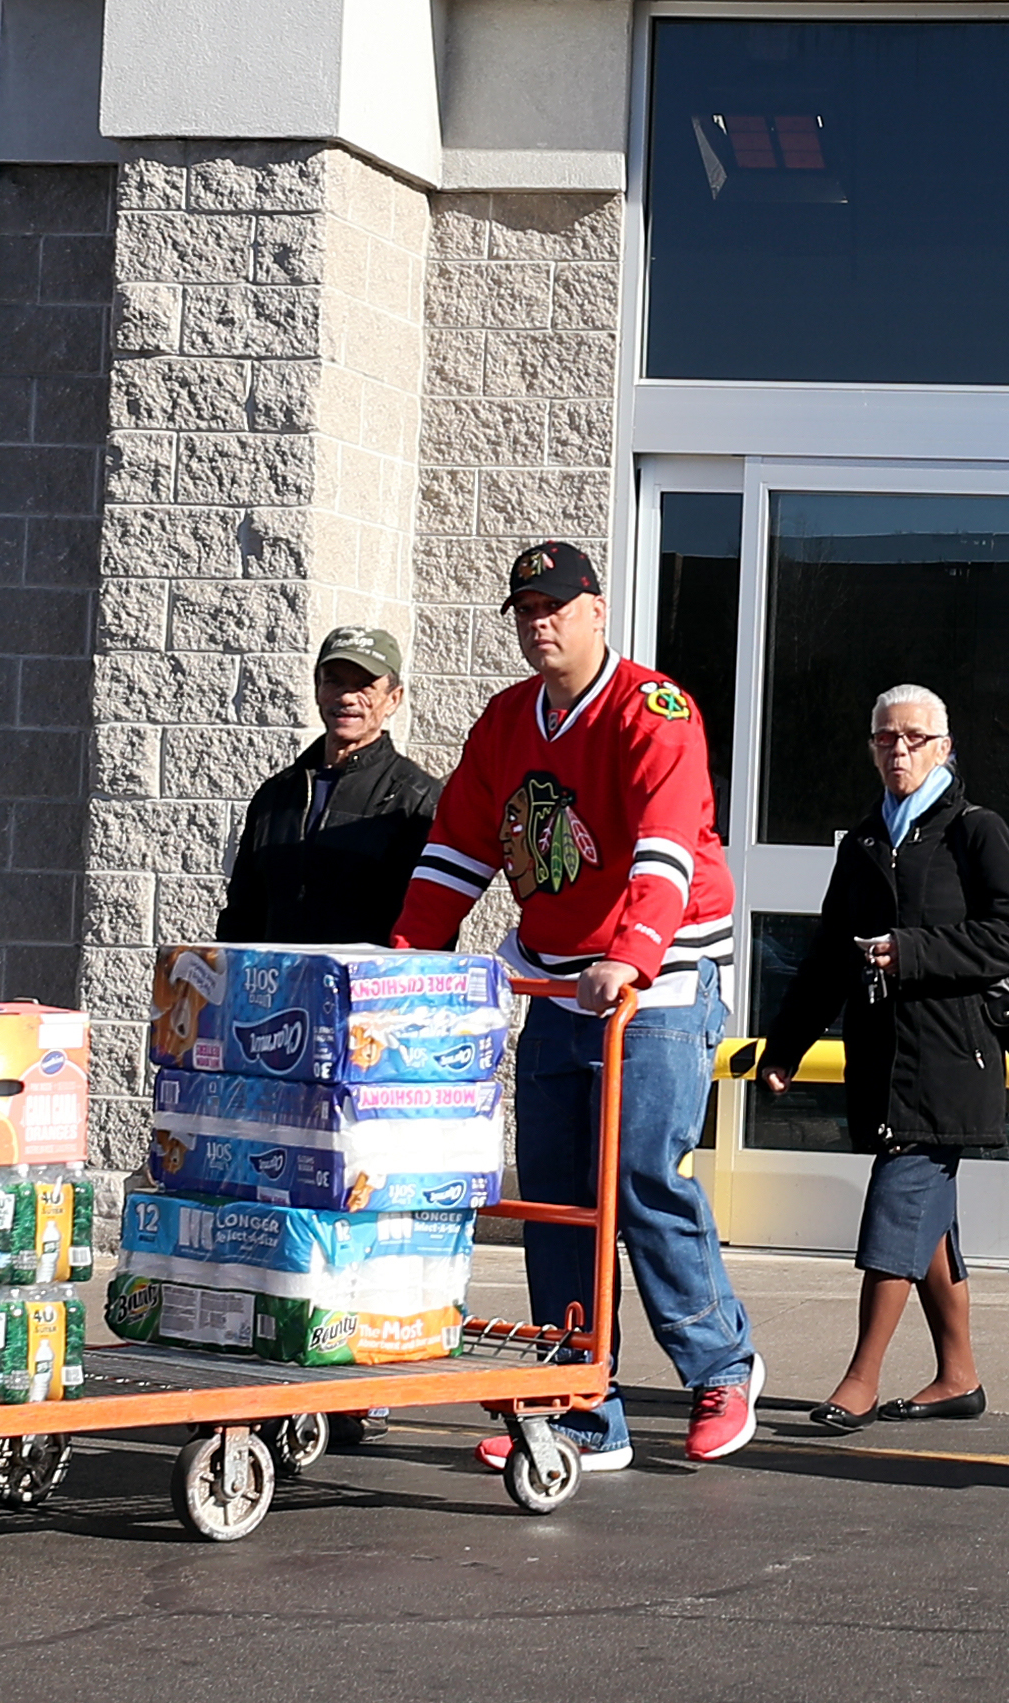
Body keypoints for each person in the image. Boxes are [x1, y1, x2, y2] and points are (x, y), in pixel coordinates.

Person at [392, 541, 766, 1472]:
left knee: (640, 1173)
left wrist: (631, 959)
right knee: (555, 1198)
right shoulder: (506, 720)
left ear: (598, 610)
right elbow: (458, 852)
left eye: (556, 605)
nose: (539, 622)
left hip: (662, 973)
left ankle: (722, 1363)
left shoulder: (654, 710)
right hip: (556, 975)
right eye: (524, 609)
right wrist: (406, 964)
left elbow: (666, 853)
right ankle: (577, 1402)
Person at [757, 684, 1009, 1433]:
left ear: (944, 748)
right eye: (886, 738)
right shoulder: (862, 842)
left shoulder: (974, 832)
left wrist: (909, 950)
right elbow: (823, 960)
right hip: (882, 1060)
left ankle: (860, 1376)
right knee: (927, 1219)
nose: (899, 750)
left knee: (898, 1201)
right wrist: (783, 1046)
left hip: (952, 1060)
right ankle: (958, 1375)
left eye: (914, 738)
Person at [221, 625, 442, 944]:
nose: (346, 697)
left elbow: (427, 928)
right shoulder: (277, 795)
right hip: (276, 988)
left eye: (364, 685)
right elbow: (243, 912)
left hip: (367, 990)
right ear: (317, 688)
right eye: (334, 681)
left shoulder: (416, 799)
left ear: (393, 699)